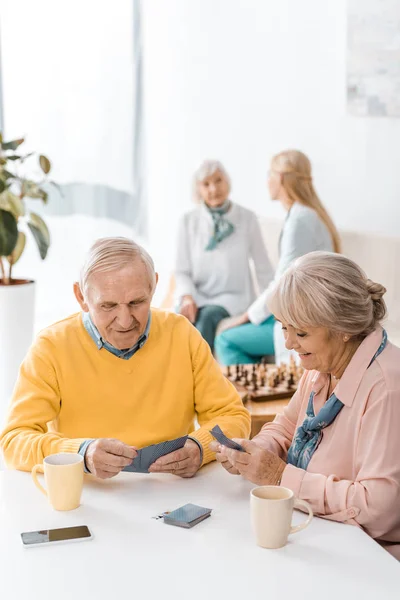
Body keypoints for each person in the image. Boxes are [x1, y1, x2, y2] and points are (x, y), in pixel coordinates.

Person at [0, 237, 250, 479]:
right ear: (81, 298)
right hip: (88, 495)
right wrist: (81, 454)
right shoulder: (51, 347)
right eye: (108, 306)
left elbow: (232, 416)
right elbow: (14, 440)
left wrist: (200, 447)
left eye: (136, 302)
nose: (125, 320)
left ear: (153, 286)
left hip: (171, 490)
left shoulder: (182, 334)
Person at [211, 252, 400, 560]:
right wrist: (256, 451)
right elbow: (286, 427)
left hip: (371, 555)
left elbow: (377, 509)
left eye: (300, 333)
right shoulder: (322, 366)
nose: (288, 344)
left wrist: (278, 477)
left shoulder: (387, 388)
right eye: (284, 328)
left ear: (344, 329)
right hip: (322, 530)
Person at [215, 150, 341, 365]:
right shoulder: (305, 215)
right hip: (302, 309)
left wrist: (246, 317)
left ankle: (248, 397)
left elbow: (283, 281)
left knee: (226, 339)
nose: (267, 181)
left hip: (306, 317)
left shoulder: (300, 221)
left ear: (280, 178)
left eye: (269, 174)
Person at [175, 159, 274, 352]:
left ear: (227, 182)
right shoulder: (188, 221)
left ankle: (201, 378)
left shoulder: (247, 218)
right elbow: (181, 271)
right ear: (198, 189)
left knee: (207, 318)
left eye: (218, 180)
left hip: (233, 298)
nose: (213, 189)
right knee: (177, 322)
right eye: (206, 184)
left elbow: (263, 269)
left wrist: (272, 306)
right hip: (198, 296)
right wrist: (187, 297)